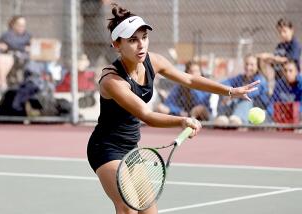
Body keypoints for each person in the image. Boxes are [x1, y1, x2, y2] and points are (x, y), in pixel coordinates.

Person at [87, 4, 259, 214]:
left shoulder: (153, 61)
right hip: (105, 149)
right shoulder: (112, 80)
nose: (141, 45)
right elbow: (146, 115)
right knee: (127, 209)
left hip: (131, 148)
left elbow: (189, 78)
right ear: (116, 45)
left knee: (149, 211)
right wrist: (182, 120)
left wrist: (230, 91)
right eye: (132, 40)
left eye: (144, 37)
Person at [215, 54, 269, 125]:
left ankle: (238, 119)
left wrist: (232, 96)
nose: (248, 67)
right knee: (225, 91)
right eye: (246, 64)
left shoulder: (260, 80)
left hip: (256, 109)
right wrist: (229, 92)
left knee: (245, 99)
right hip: (236, 104)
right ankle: (223, 117)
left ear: (257, 66)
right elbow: (223, 83)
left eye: (251, 65)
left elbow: (249, 94)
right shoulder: (240, 78)